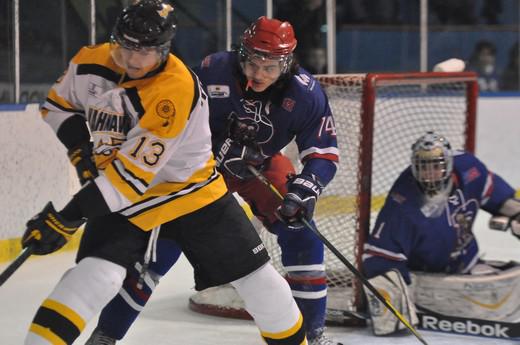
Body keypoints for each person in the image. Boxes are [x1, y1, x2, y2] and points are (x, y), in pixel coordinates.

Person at [20, 2, 307, 345]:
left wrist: (66, 218)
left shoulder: (174, 88)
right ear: (115, 40)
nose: (136, 59)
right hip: (124, 193)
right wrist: (81, 151)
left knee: (261, 285)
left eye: (149, 51)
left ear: (165, 48)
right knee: (98, 276)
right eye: (128, 47)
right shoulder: (89, 61)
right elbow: (57, 106)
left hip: (191, 192)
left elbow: (129, 181)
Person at [89, 15, 341, 345]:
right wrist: (221, 150)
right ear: (241, 54)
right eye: (253, 64)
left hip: (259, 167)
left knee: (303, 232)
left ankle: (312, 336)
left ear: (287, 62)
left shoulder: (306, 93)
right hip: (197, 171)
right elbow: (174, 126)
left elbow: (324, 153)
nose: (259, 74)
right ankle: (106, 335)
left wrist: (305, 190)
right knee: (158, 254)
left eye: (270, 67)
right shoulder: (213, 70)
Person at [362, 131, 520, 335]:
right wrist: (394, 300)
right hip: (430, 277)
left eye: (436, 166)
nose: (429, 173)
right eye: (423, 167)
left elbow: (495, 194)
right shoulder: (402, 206)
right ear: (414, 166)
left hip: (467, 262)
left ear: (449, 164)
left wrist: (515, 212)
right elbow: (379, 257)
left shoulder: (468, 168)